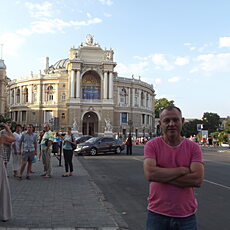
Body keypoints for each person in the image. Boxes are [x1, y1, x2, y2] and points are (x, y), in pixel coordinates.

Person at [144, 106, 204, 230]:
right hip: (157, 214)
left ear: (182, 121)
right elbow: (150, 174)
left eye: (175, 120)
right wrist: (182, 170)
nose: (171, 124)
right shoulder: (152, 145)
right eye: (167, 121)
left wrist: (161, 175)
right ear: (160, 124)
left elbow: (197, 180)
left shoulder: (193, 147)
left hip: (186, 215)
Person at [0, 123, 16, 222]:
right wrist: (8, 129)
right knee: (2, 189)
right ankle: (3, 213)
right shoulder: (2, 137)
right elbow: (13, 138)